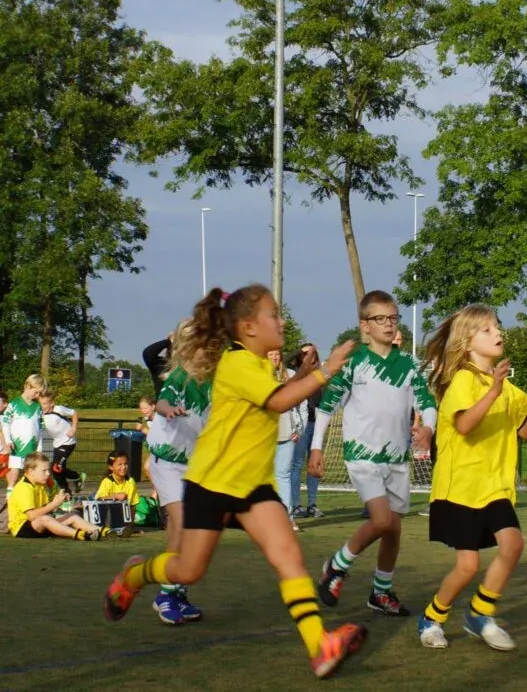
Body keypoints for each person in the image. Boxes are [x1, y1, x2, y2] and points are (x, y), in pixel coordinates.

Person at [102, 285, 367, 680]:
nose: (281, 321)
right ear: (248, 327)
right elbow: (279, 401)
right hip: (212, 482)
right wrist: (325, 369)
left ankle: (319, 645)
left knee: (288, 555)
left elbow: (282, 394)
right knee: (188, 570)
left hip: (252, 486)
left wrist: (313, 371)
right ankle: (133, 577)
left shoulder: (259, 366)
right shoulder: (237, 362)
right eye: (273, 314)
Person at [416, 304, 527, 651]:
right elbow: (464, 425)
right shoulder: (462, 380)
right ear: (468, 341)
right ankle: (432, 617)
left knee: (513, 544)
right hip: (459, 488)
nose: (498, 333)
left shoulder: (513, 392)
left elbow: (526, 432)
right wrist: (491, 391)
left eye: (498, 327)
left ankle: (479, 614)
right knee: (467, 566)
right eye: (488, 330)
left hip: (496, 489)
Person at [311, 291, 438, 617]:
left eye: (393, 317)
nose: (388, 324)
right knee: (381, 519)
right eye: (380, 318)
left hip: (397, 459)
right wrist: (316, 447)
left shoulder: (409, 364)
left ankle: (381, 592)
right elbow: (327, 406)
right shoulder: (354, 363)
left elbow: (427, 402)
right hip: (362, 456)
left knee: (393, 528)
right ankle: (336, 565)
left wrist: (428, 428)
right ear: (364, 325)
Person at [146, 319, 212, 625]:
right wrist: (167, 409)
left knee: (183, 530)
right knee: (185, 524)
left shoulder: (213, 382)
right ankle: (165, 594)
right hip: (167, 463)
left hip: (193, 465)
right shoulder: (179, 377)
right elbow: (162, 401)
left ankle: (175, 593)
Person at [8, 452, 107, 540]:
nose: (48, 474)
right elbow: (32, 516)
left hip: (40, 523)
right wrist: (54, 504)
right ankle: (79, 534)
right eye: (44, 471)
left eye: (48, 470)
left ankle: (101, 530)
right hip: (23, 528)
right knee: (46, 519)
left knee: (72, 516)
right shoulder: (24, 487)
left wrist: (63, 501)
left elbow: (46, 508)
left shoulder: (40, 485)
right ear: (30, 471)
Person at [270, 348, 305, 531]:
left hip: (287, 432)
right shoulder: (258, 375)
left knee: (283, 476)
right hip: (265, 434)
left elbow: (301, 405)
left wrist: (299, 428)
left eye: (277, 354)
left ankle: (288, 518)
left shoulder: (290, 375)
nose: (275, 357)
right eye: (271, 354)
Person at [290, 342, 325, 519]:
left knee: (314, 465)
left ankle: (312, 504)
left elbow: (324, 400)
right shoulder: (294, 375)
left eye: (313, 354)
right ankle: (295, 505)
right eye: (306, 354)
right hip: (300, 426)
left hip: (316, 424)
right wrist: (300, 350)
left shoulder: (320, 376)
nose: (310, 357)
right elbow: (285, 360)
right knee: (296, 465)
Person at [2, 374, 46, 493]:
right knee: (13, 476)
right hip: (16, 447)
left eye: (39, 393)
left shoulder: (38, 407)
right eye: (36, 392)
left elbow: (40, 428)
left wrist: (40, 447)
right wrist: (8, 441)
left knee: (33, 477)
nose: (37, 396)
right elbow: (5, 424)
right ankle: (10, 499)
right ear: (27, 386)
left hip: (32, 448)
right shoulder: (13, 404)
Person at [40, 391, 86, 496]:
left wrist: (74, 428)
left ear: (52, 403)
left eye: (45, 403)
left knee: (56, 469)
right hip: (57, 444)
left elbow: (74, 413)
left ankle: (70, 486)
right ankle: (72, 485)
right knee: (58, 471)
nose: (43, 406)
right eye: (41, 403)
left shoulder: (58, 409)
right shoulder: (41, 414)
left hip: (68, 442)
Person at [96, 449, 141, 523]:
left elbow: (133, 506)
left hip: (125, 520)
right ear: (111, 467)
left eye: (125, 464)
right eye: (120, 464)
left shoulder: (131, 481)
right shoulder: (107, 482)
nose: (123, 467)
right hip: (108, 519)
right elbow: (98, 500)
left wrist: (131, 525)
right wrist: (115, 496)